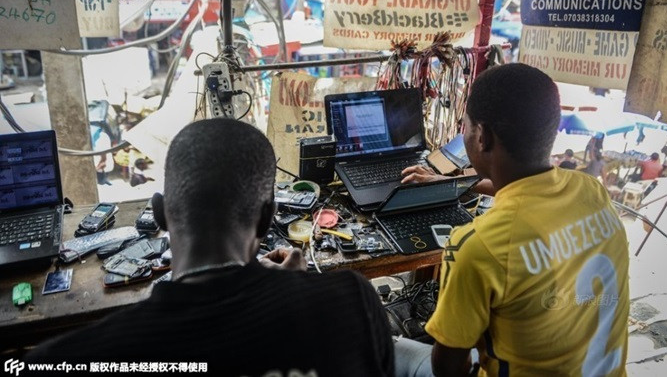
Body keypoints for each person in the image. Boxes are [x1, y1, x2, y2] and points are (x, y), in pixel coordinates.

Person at [28, 119, 394, 376]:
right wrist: (296, 291)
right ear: (268, 218)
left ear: (160, 213)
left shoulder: (62, 360)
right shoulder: (351, 302)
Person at [396, 64, 629, 376]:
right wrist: (444, 183)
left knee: (392, 348)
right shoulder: (591, 191)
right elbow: (522, 185)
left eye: (465, 126)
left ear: (482, 137)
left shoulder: (477, 247)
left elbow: (447, 369)